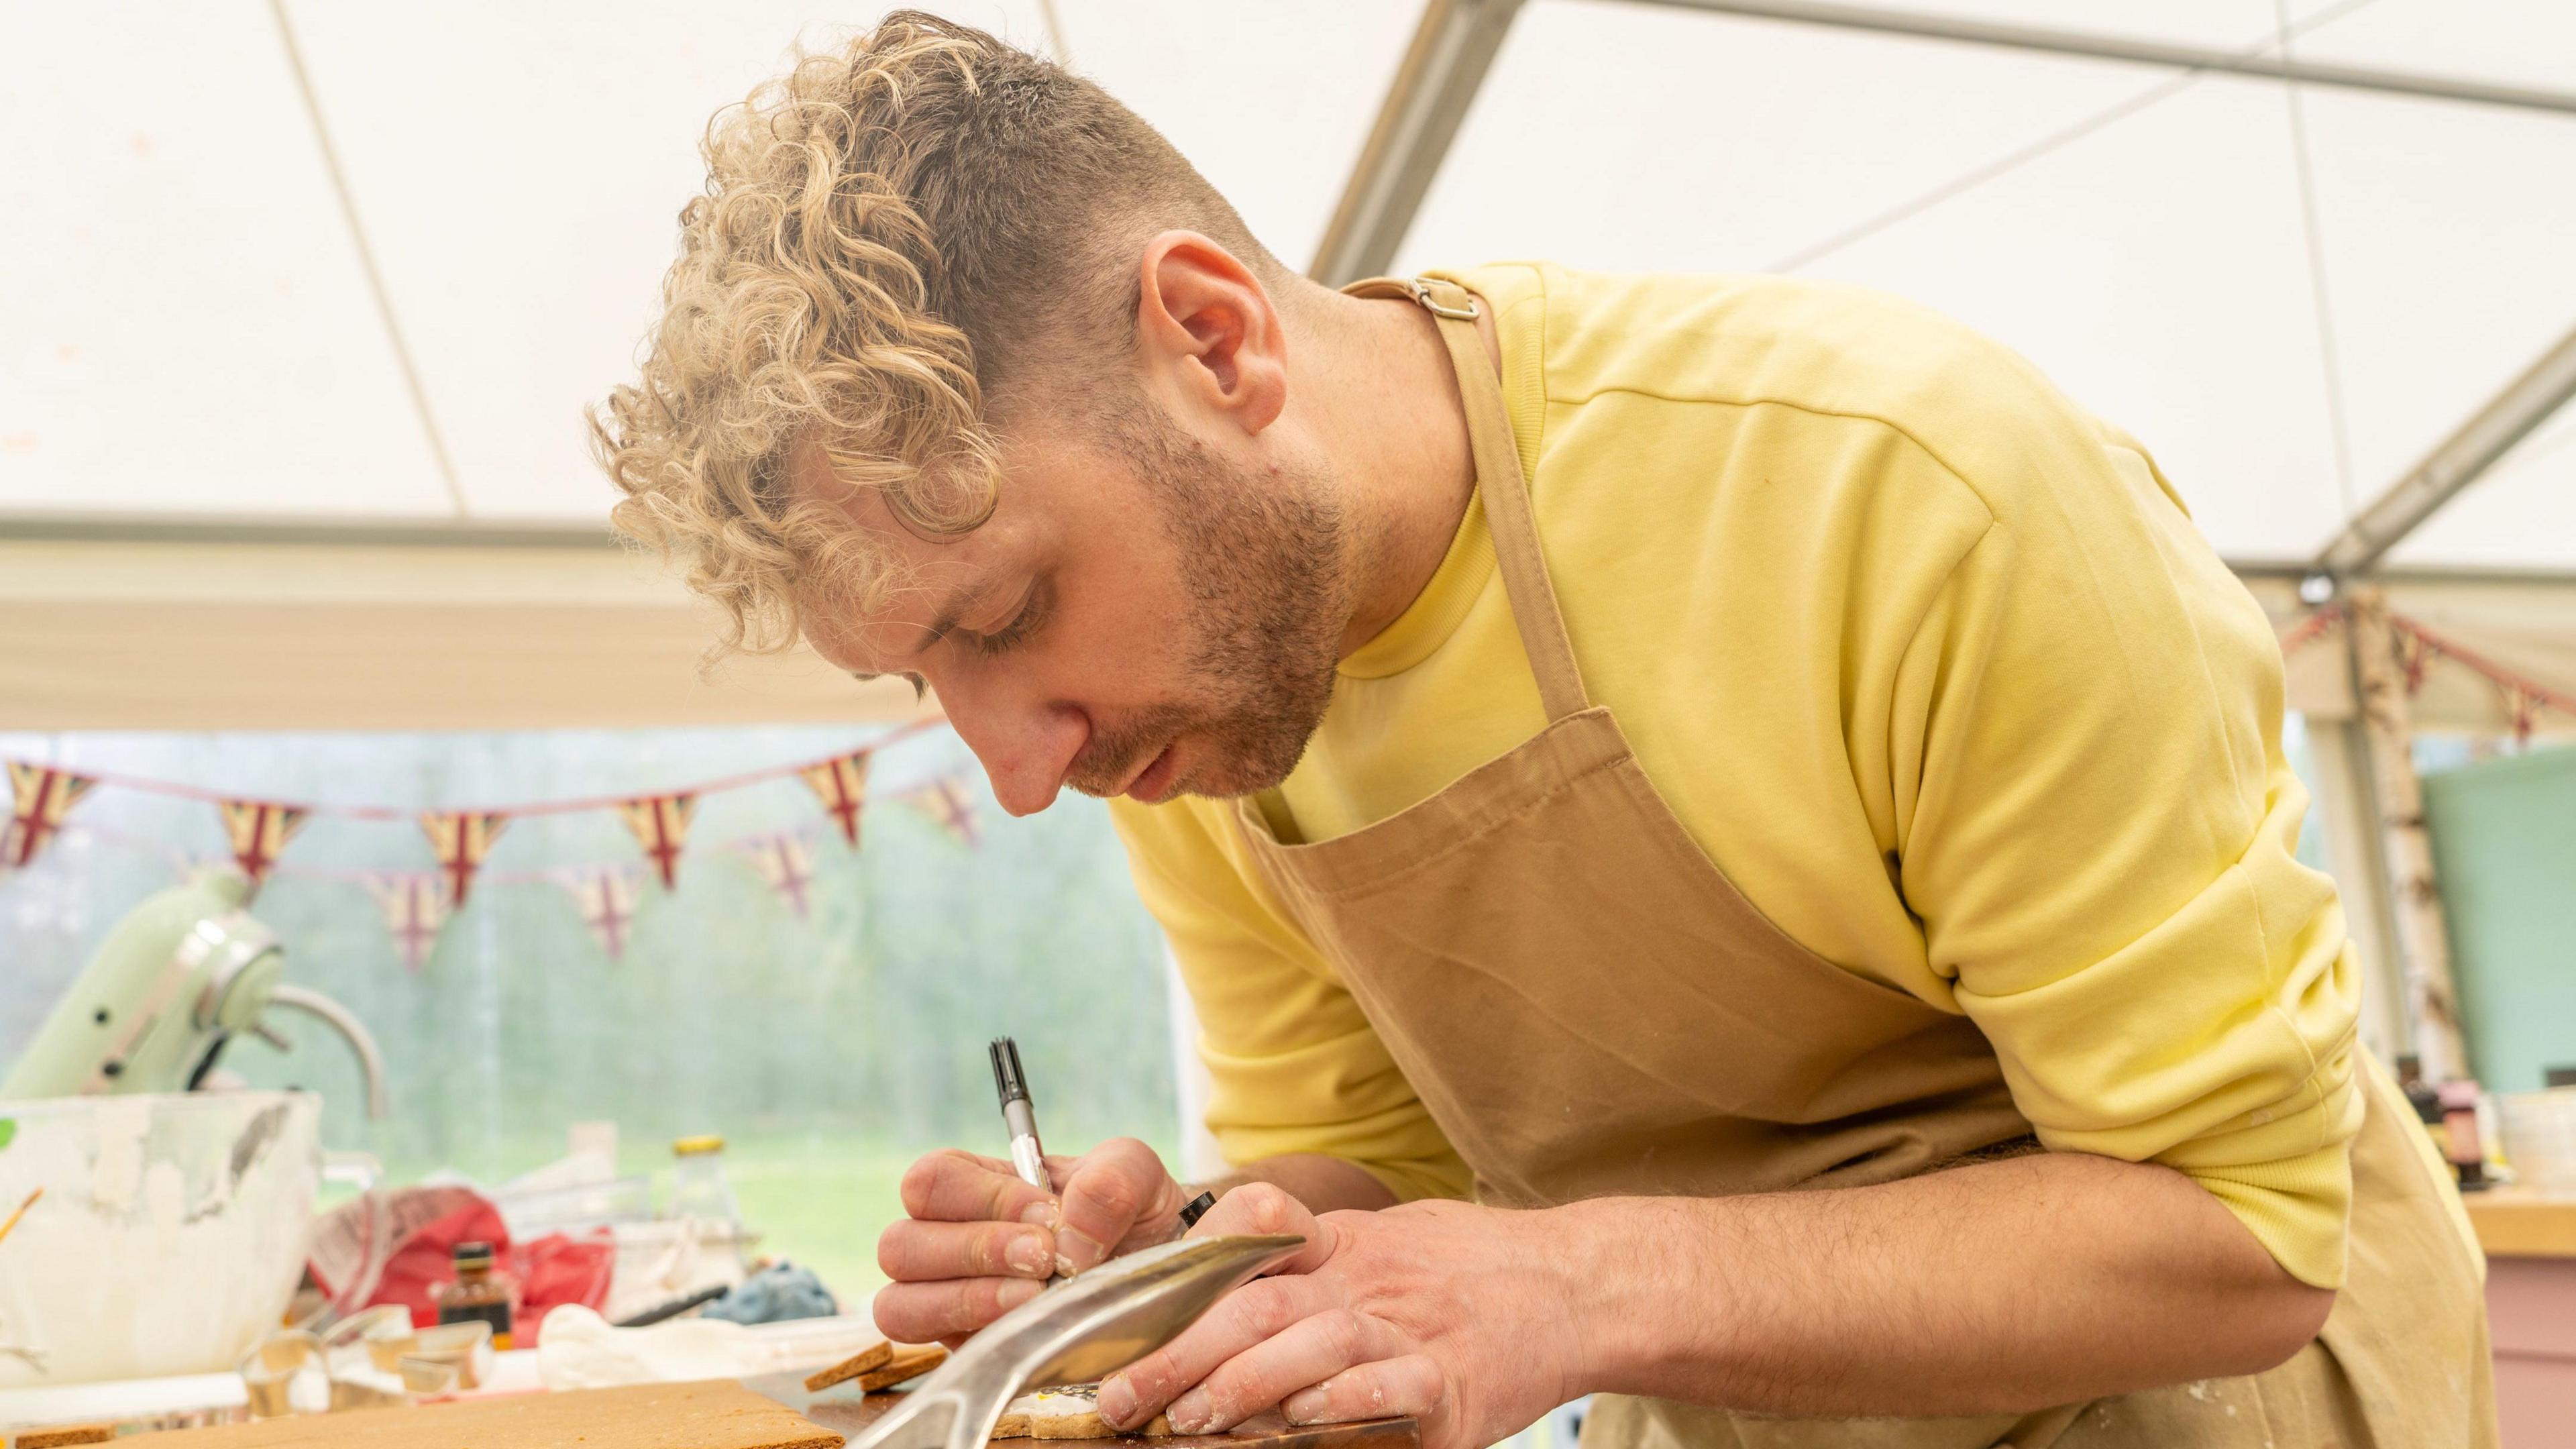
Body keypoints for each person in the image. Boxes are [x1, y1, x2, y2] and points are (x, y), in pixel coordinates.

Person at [593, 13, 2491, 1448]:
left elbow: (2238, 1237)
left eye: (1007, 615)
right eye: (932, 679)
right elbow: (1385, 1176)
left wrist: (1584, 1281)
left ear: (1216, 341)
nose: (1018, 765)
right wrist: (1180, 1260)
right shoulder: (1187, 720)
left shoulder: (1906, 496)